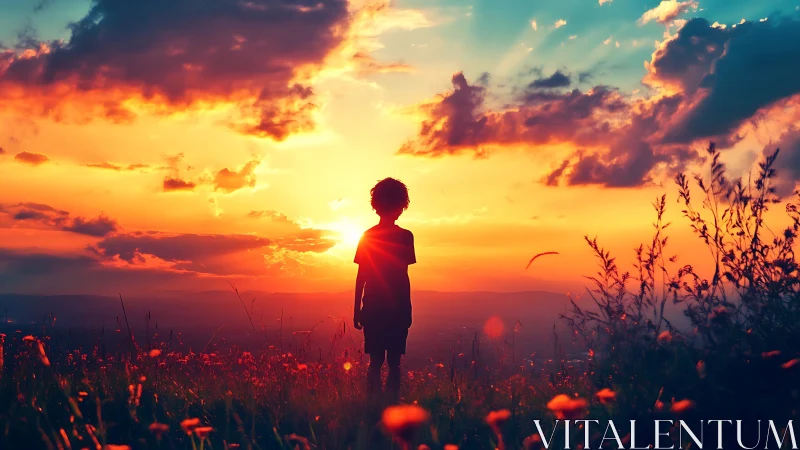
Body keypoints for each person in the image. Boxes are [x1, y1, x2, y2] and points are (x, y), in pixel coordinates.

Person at [353, 177, 416, 399]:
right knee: (394, 363)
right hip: (397, 307)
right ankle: (391, 406)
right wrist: (407, 309)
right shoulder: (405, 236)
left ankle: (373, 405)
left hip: (373, 306)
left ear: (376, 205)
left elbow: (361, 276)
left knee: (375, 362)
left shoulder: (368, 236)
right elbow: (403, 276)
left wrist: (356, 310)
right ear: (401, 207)